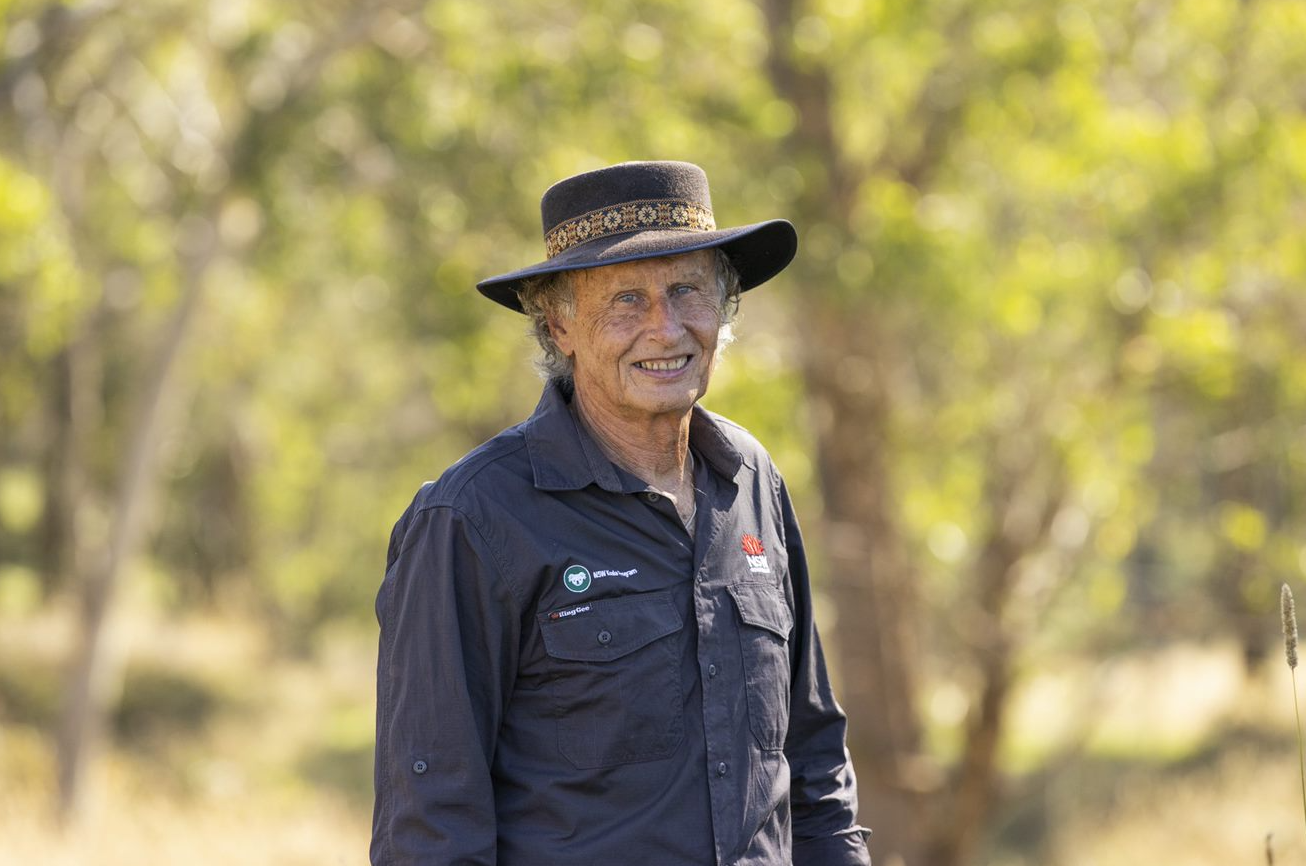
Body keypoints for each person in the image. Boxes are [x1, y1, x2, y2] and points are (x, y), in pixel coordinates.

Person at [372, 160, 871, 866]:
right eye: (626, 301)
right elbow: (429, 823)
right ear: (559, 326)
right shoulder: (472, 518)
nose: (665, 329)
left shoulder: (752, 480)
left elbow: (812, 760)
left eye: (688, 291)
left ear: (724, 309)